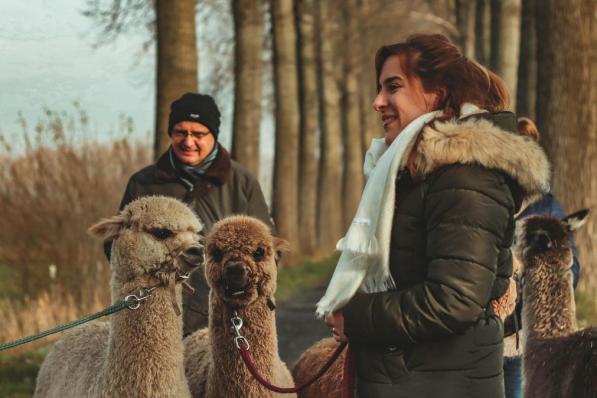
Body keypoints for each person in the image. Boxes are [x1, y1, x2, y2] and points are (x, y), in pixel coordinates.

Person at [317, 33, 550, 397]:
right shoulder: (417, 176)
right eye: (379, 89)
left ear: (438, 92)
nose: (377, 102)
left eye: (393, 87)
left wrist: (357, 318)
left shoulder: (467, 174)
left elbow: (454, 298)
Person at [105, 92, 273, 335]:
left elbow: (267, 250)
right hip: (157, 314)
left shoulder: (241, 182)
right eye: (180, 132)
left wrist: (240, 291)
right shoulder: (143, 184)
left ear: (213, 135)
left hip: (223, 315)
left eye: (198, 134)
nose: (188, 141)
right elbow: (116, 247)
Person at [502, 117, 581, 398]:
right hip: (481, 332)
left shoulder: (546, 207)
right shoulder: (488, 200)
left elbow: (572, 270)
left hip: (522, 337)